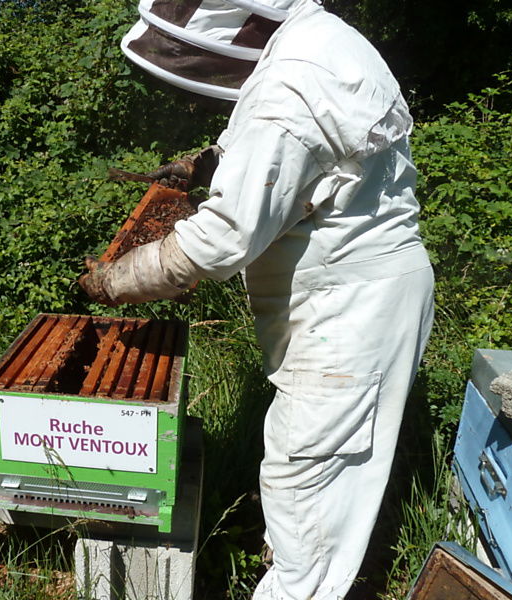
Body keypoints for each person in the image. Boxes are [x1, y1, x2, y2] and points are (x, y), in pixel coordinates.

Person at [79, 0, 435, 598]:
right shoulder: (324, 41)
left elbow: (221, 240)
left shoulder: (289, 82)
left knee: (305, 478)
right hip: (353, 293)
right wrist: (214, 162)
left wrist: (116, 280)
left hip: (349, 310)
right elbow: (324, 157)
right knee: (315, 471)